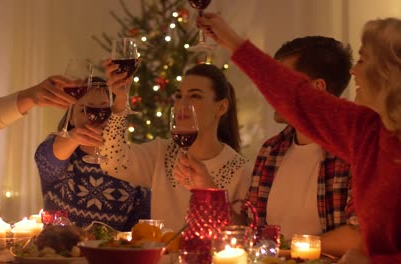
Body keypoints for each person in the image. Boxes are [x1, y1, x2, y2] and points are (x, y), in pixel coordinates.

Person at [198, 14, 401, 263]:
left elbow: (295, 95)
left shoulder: (360, 139)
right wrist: (230, 40)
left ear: (387, 72)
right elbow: (295, 97)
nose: (354, 70)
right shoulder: (365, 131)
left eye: (363, 59)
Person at [245, 37, 361, 256]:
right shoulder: (271, 150)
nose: (271, 92)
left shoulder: (352, 152)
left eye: (283, 82)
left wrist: (287, 250)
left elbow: (360, 236)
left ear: (317, 89)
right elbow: (252, 226)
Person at [101, 62, 252, 231]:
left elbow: (242, 233)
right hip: (163, 256)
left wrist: (210, 191)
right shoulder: (162, 153)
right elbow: (112, 162)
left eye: (195, 96)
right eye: (179, 96)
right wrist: (120, 103)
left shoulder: (240, 171)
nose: (182, 104)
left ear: (221, 107)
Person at [34, 77, 151, 231]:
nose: (95, 117)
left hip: (110, 253)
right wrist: (75, 137)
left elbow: (139, 231)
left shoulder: (132, 165)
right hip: (61, 251)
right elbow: (46, 156)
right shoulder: (62, 155)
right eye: (84, 110)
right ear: (72, 118)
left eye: (105, 110)